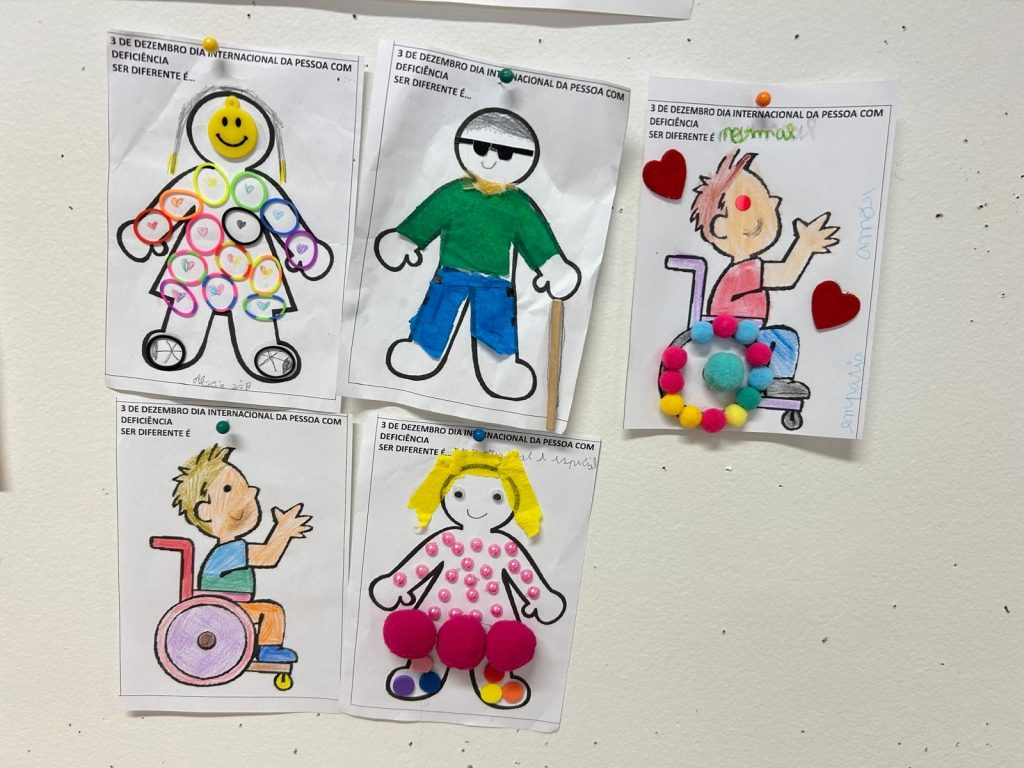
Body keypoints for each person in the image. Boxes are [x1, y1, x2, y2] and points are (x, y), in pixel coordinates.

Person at [375, 108, 581, 401]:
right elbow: (428, 216)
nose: (490, 160)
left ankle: (501, 367)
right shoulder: (455, 193)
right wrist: (406, 240)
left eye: (505, 154)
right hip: (451, 273)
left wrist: (552, 265)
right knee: (437, 311)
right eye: (481, 148)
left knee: (495, 321)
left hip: (495, 280)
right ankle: (420, 349)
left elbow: (535, 237)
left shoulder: (517, 205)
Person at [369, 449, 566, 709]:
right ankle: (422, 673)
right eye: (460, 494)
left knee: (499, 645)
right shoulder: (446, 540)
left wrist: (542, 598)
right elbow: (421, 567)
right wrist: (395, 584)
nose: (476, 507)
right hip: (442, 609)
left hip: (491, 612)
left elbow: (523, 574)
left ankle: (496, 681)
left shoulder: (505, 546)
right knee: (430, 639)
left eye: (497, 497)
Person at [690, 150, 840, 386]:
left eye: (767, 199)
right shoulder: (743, 272)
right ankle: (778, 382)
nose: (773, 203)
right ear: (721, 226)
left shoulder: (742, 269)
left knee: (777, 339)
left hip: (744, 335)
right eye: (747, 203)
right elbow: (786, 276)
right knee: (785, 339)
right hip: (736, 336)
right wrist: (805, 245)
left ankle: (772, 379)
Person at [172, 444, 312, 663]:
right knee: (272, 612)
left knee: (269, 610)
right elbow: (268, 557)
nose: (251, 493)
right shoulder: (229, 551)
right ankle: (267, 650)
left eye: (245, 487)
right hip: (225, 610)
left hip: (227, 607)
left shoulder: (228, 549)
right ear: (205, 511)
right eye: (229, 490)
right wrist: (283, 531)